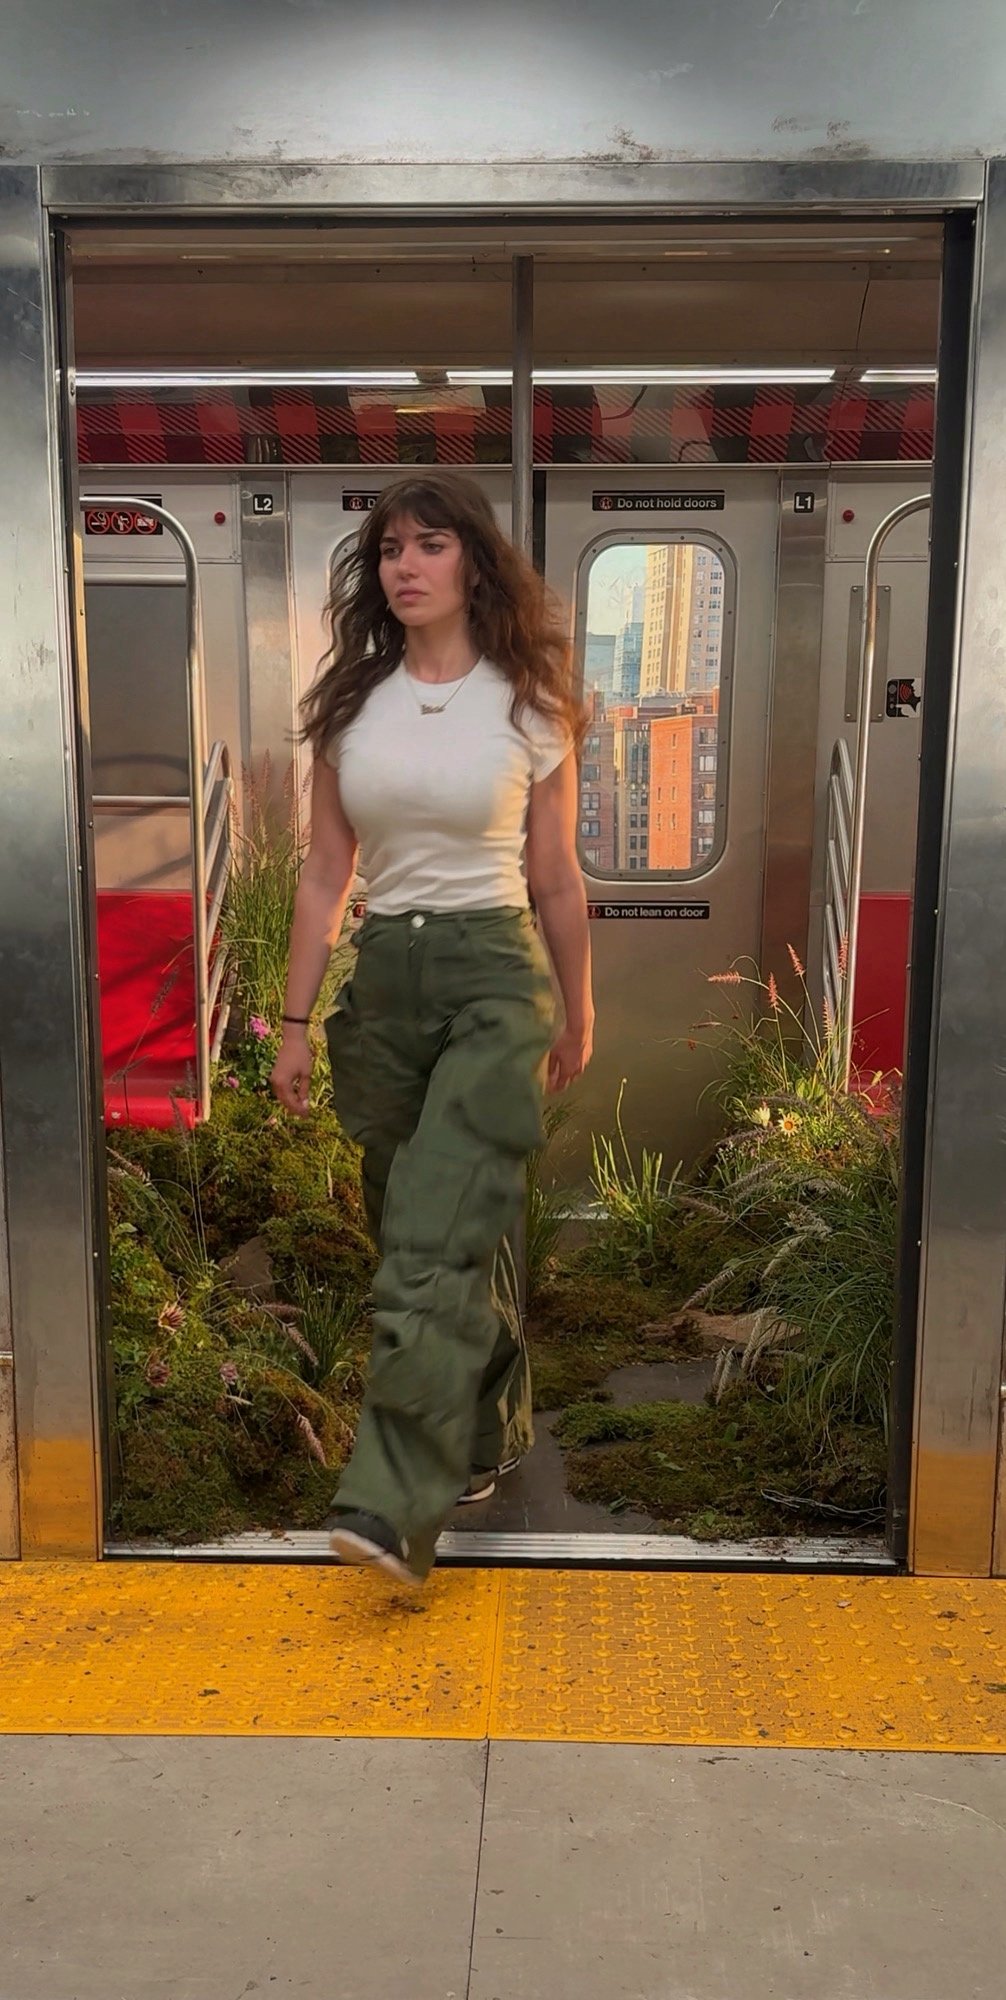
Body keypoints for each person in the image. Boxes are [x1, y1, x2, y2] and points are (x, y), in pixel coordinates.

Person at [270, 470, 593, 1584]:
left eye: (430, 544)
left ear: (473, 561)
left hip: (496, 967)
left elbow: (555, 872)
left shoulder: (530, 701)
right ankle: (491, 1431)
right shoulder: (348, 704)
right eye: (390, 548)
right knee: (428, 1219)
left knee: (435, 1228)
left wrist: (578, 1005)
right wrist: (296, 1019)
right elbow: (324, 873)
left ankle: (398, 1495)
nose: (405, 564)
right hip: (385, 982)